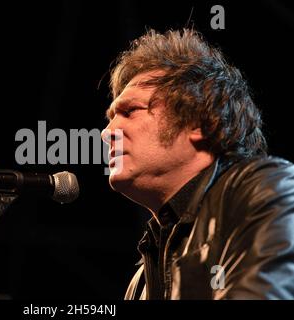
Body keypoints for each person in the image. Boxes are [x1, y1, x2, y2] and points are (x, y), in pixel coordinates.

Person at [101, 28, 294, 299]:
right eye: (110, 117)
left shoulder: (265, 192)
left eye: (129, 111)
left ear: (199, 122)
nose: (107, 131)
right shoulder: (141, 282)